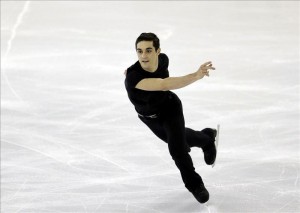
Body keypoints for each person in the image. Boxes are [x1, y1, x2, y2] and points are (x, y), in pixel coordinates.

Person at [124, 32, 217, 204]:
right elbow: (163, 84)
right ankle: (207, 138)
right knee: (182, 138)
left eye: (149, 50)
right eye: (139, 51)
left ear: (158, 51)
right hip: (149, 118)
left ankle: (195, 185)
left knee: (177, 148)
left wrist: (196, 75)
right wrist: (195, 75)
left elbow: (166, 83)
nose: (143, 56)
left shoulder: (163, 60)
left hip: (170, 108)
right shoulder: (133, 78)